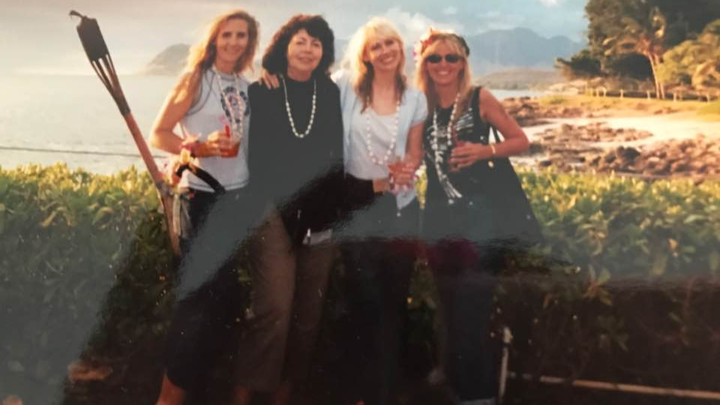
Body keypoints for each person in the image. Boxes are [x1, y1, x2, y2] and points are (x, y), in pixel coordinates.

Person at [233, 14, 385, 405]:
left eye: (316, 43)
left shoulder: (329, 92)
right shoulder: (262, 90)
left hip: (322, 213)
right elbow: (255, 157)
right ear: (284, 46)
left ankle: (285, 392)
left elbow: (336, 156)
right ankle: (245, 392)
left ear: (324, 53)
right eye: (300, 41)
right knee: (273, 309)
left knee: (308, 315)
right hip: (274, 212)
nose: (308, 49)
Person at [148, 9, 259, 405]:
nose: (233, 42)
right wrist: (196, 147)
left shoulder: (246, 85)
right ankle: (168, 399)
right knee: (198, 303)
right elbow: (159, 133)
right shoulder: (195, 78)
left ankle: (196, 390)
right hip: (203, 197)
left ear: (249, 42)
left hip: (236, 200)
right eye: (226, 34)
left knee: (222, 301)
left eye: (241, 35)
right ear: (214, 39)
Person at [414, 29, 531, 405]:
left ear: (463, 63)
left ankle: (478, 396)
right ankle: (454, 383)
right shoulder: (421, 104)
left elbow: (521, 140)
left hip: (480, 221)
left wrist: (485, 151)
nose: (443, 64)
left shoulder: (480, 98)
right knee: (448, 307)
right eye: (435, 57)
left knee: (473, 311)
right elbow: (411, 153)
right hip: (437, 219)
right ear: (424, 63)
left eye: (452, 57)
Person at [332, 17, 427, 405]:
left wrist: (409, 167)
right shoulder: (345, 87)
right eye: (377, 45)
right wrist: (271, 72)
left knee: (392, 305)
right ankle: (361, 393)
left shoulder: (415, 97)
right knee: (362, 301)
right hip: (357, 206)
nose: (386, 50)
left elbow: (416, 150)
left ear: (400, 49)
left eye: (391, 43)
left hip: (400, 207)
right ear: (365, 55)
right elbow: (304, 82)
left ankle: (383, 394)